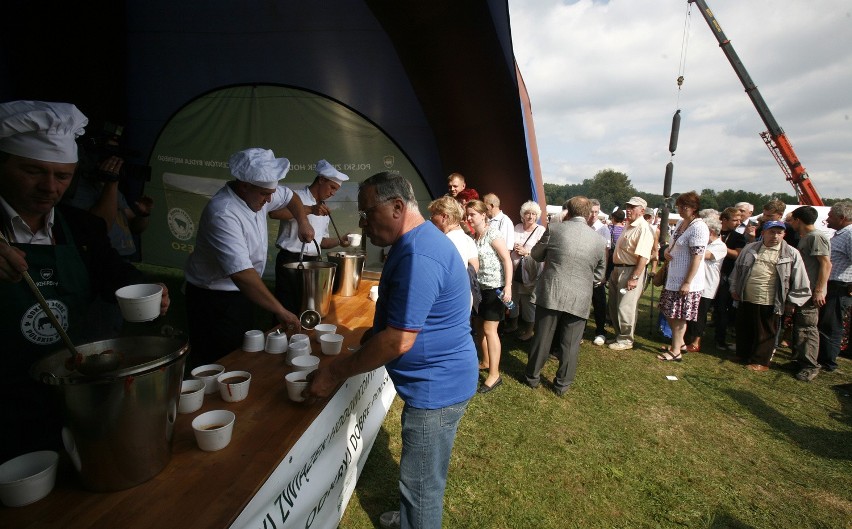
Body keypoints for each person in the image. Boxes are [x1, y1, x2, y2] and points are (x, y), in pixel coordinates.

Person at [303, 172, 477, 529]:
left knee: (422, 485)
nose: (363, 224)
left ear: (398, 206)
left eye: (367, 213)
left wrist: (334, 372)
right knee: (421, 479)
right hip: (437, 380)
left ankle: (418, 519)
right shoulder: (415, 242)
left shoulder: (420, 254)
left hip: (436, 387)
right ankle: (413, 518)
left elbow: (399, 340)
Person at [0, 100, 169, 462]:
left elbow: (113, 271)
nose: (50, 187)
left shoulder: (80, 225)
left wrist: (146, 289)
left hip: (72, 385)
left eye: (62, 176)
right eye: (33, 171)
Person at [184, 148, 314, 368]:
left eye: (271, 193)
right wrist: (280, 310)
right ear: (244, 185)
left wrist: (303, 221)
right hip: (213, 301)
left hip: (240, 297)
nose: (270, 199)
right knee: (216, 362)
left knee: (240, 356)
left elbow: (290, 196)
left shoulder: (258, 193)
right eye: (265, 194)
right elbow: (242, 274)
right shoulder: (223, 212)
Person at [524, 196, 606, 395]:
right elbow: (600, 274)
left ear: (568, 212)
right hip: (580, 295)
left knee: (543, 337)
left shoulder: (555, 229)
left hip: (552, 291)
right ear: (588, 214)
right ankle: (562, 385)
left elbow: (535, 254)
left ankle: (532, 377)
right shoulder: (599, 239)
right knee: (570, 344)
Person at [271, 159, 352, 313]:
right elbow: (274, 213)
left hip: (313, 262)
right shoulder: (296, 197)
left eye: (336, 190)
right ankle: (283, 335)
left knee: (310, 306)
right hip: (290, 260)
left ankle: (305, 334)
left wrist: (339, 241)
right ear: (321, 179)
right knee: (287, 304)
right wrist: (309, 210)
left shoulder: (323, 209)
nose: (333, 193)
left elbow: (321, 242)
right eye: (332, 187)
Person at [729, 220, 811, 371]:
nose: (775, 236)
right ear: (763, 233)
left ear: (784, 235)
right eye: (771, 232)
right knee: (744, 326)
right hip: (746, 296)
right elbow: (737, 270)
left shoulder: (791, 253)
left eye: (779, 233)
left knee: (765, 331)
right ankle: (743, 354)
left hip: (770, 299)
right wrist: (734, 288)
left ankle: (760, 361)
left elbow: (800, 278)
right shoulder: (750, 248)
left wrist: (792, 301)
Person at [466, 199, 513, 392]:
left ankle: (495, 375)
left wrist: (508, 287)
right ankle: (486, 361)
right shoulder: (475, 236)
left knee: (489, 329)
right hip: (480, 289)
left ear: (483, 215)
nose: (469, 218)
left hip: (495, 288)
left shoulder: (493, 233)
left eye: (472, 214)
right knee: (478, 326)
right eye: (467, 214)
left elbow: (507, 260)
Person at [656, 192, 709, 361]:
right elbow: (673, 245)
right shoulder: (681, 223)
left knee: (678, 315)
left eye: (683, 207)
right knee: (669, 312)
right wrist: (666, 252)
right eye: (679, 206)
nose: (680, 210)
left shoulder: (699, 227)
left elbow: (697, 257)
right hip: (673, 276)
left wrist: (687, 282)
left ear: (694, 208)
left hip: (686, 280)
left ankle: (676, 350)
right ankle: (679, 344)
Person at [787, 206, 831, 381]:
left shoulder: (816, 237)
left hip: (811, 291)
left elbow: (826, 264)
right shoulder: (808, 237)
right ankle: (800, 360)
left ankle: (810, 365)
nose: (790, 224)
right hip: (803, 290)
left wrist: (819, 290)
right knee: (800, 326)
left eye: (792, 221)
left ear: (798, 220)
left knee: (808, 327)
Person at [606, 197, 655, 350]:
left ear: (642, 210)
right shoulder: (629, 226)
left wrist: (634, 277)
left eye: (633, 207)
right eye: (628, 206)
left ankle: (626, 339)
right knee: (614, 304)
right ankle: (619, 334)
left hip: (631, 270)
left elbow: (644, 256)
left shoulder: (643, 228)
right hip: (618, 268)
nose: (629, 209)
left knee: (626, 306)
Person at [681, 215, 727, 354]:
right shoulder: (707, 244)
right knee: (691, 313)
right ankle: (687, 340)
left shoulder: (720, 246)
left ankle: (696, 342)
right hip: (696, 284)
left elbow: (700, 254)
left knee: (700, 315)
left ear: (711, 232)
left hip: (707, 286)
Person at [817, 201, 852, 374]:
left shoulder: (850, 235)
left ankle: (828, 362)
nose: (827, 218)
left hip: (841, 287)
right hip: (832, 285)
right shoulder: (840, 234)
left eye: (830, 215)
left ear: (842, 218)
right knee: (826, 322)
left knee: (832, 324)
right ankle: (823, 357)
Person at [427, 195, 479, 309]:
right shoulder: (468, 239)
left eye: (433, 215)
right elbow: (474, 266)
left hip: (447, 303)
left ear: (444, 216)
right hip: (464, 300)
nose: (430, 219)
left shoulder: (444, 241)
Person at [507, 200, 545, 340]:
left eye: (533, 214)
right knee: (512, 298)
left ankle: (529, 331)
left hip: (529, 273)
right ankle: (513, 324)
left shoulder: (540, 230)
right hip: (513, 270)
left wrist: (526, 252)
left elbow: (542, 253)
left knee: (528, 301)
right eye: (527, 213)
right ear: (523, 214)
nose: (530, 216)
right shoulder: (517, 227)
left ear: (537, 216)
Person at [713, 207, 747, 350]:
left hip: (725, 276)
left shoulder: (738, 237)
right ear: (724, 220)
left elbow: (737, 255)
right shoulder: (714, 232)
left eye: (740, 220)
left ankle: (720, 339)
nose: (738, 222)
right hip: (710, 274)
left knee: (722, 308)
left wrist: (719, 246)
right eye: (735, 220)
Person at [589, 199, 611, 345]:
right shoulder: (583, 225)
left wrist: (602, 274)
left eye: (596, 212)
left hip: (597, 270)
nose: (594, 215)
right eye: (591, 211)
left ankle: (600, 331)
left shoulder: (603, 229)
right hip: (583, 269)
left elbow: (606, 253)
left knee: (599, 302)